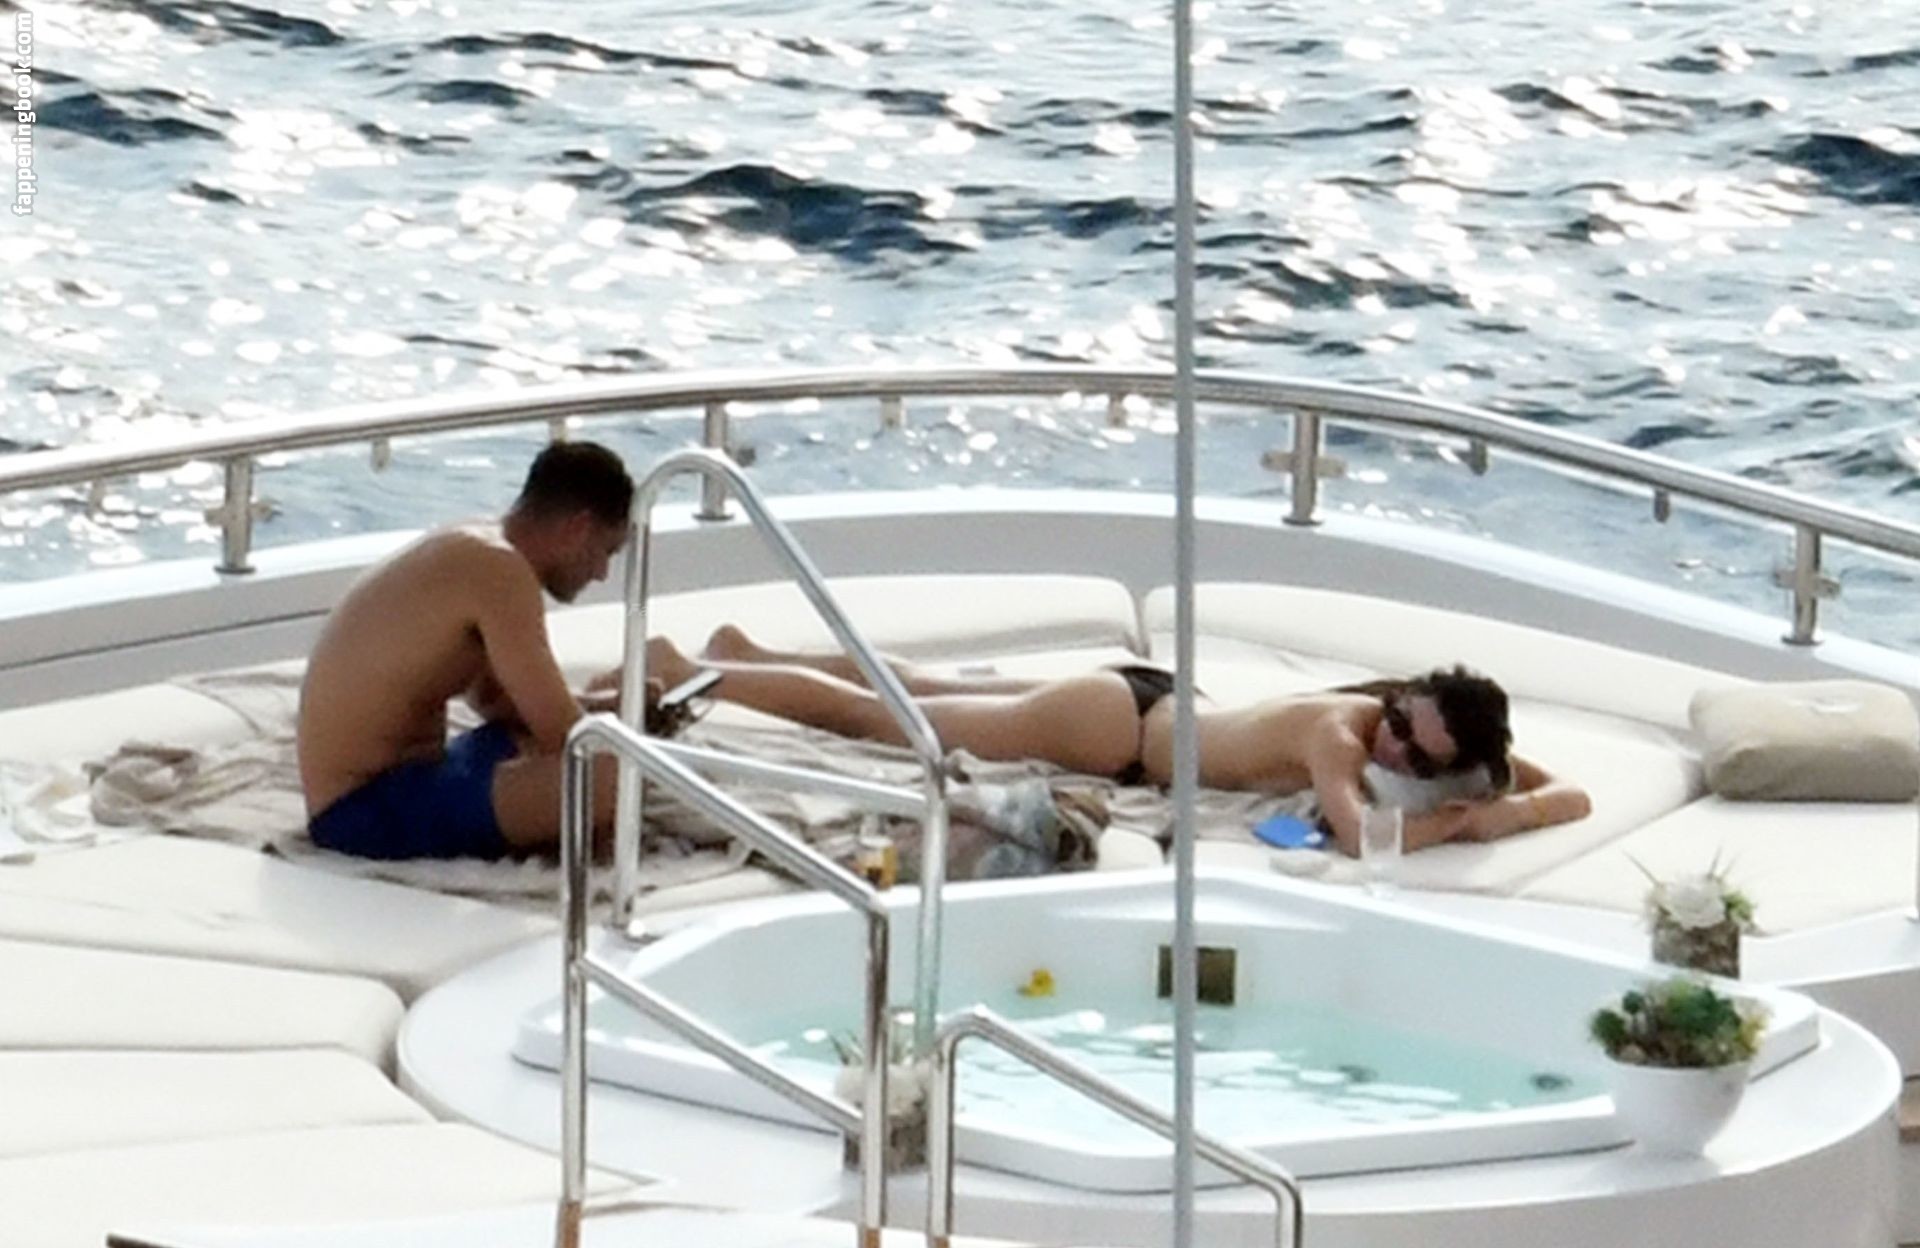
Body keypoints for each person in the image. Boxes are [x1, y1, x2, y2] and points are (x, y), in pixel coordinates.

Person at [646, 626, 1592, 857]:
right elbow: (1361, 836)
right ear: (1397, 697)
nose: (1396, 754)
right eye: (1401, 726)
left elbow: (1567, 789)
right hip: (1111, 732)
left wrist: (1499, 790)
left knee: (917, 691)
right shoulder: (1340, 733)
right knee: (892, 720)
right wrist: (1474, 820)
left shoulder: (1387, 729)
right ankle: (699, 672)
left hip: (1146, 705)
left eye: (1420, 759)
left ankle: (747, 655)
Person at [298, 441, 636, 860]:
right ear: (577, 528)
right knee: (614, 779)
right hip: (360, 812)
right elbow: (562, 734)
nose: (601, 573)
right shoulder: (501, 572)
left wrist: (603, 708)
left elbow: (496, 701)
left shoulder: (478, 547)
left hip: (405, 781)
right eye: (605, 552)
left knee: (580, 746)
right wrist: (629, 735)